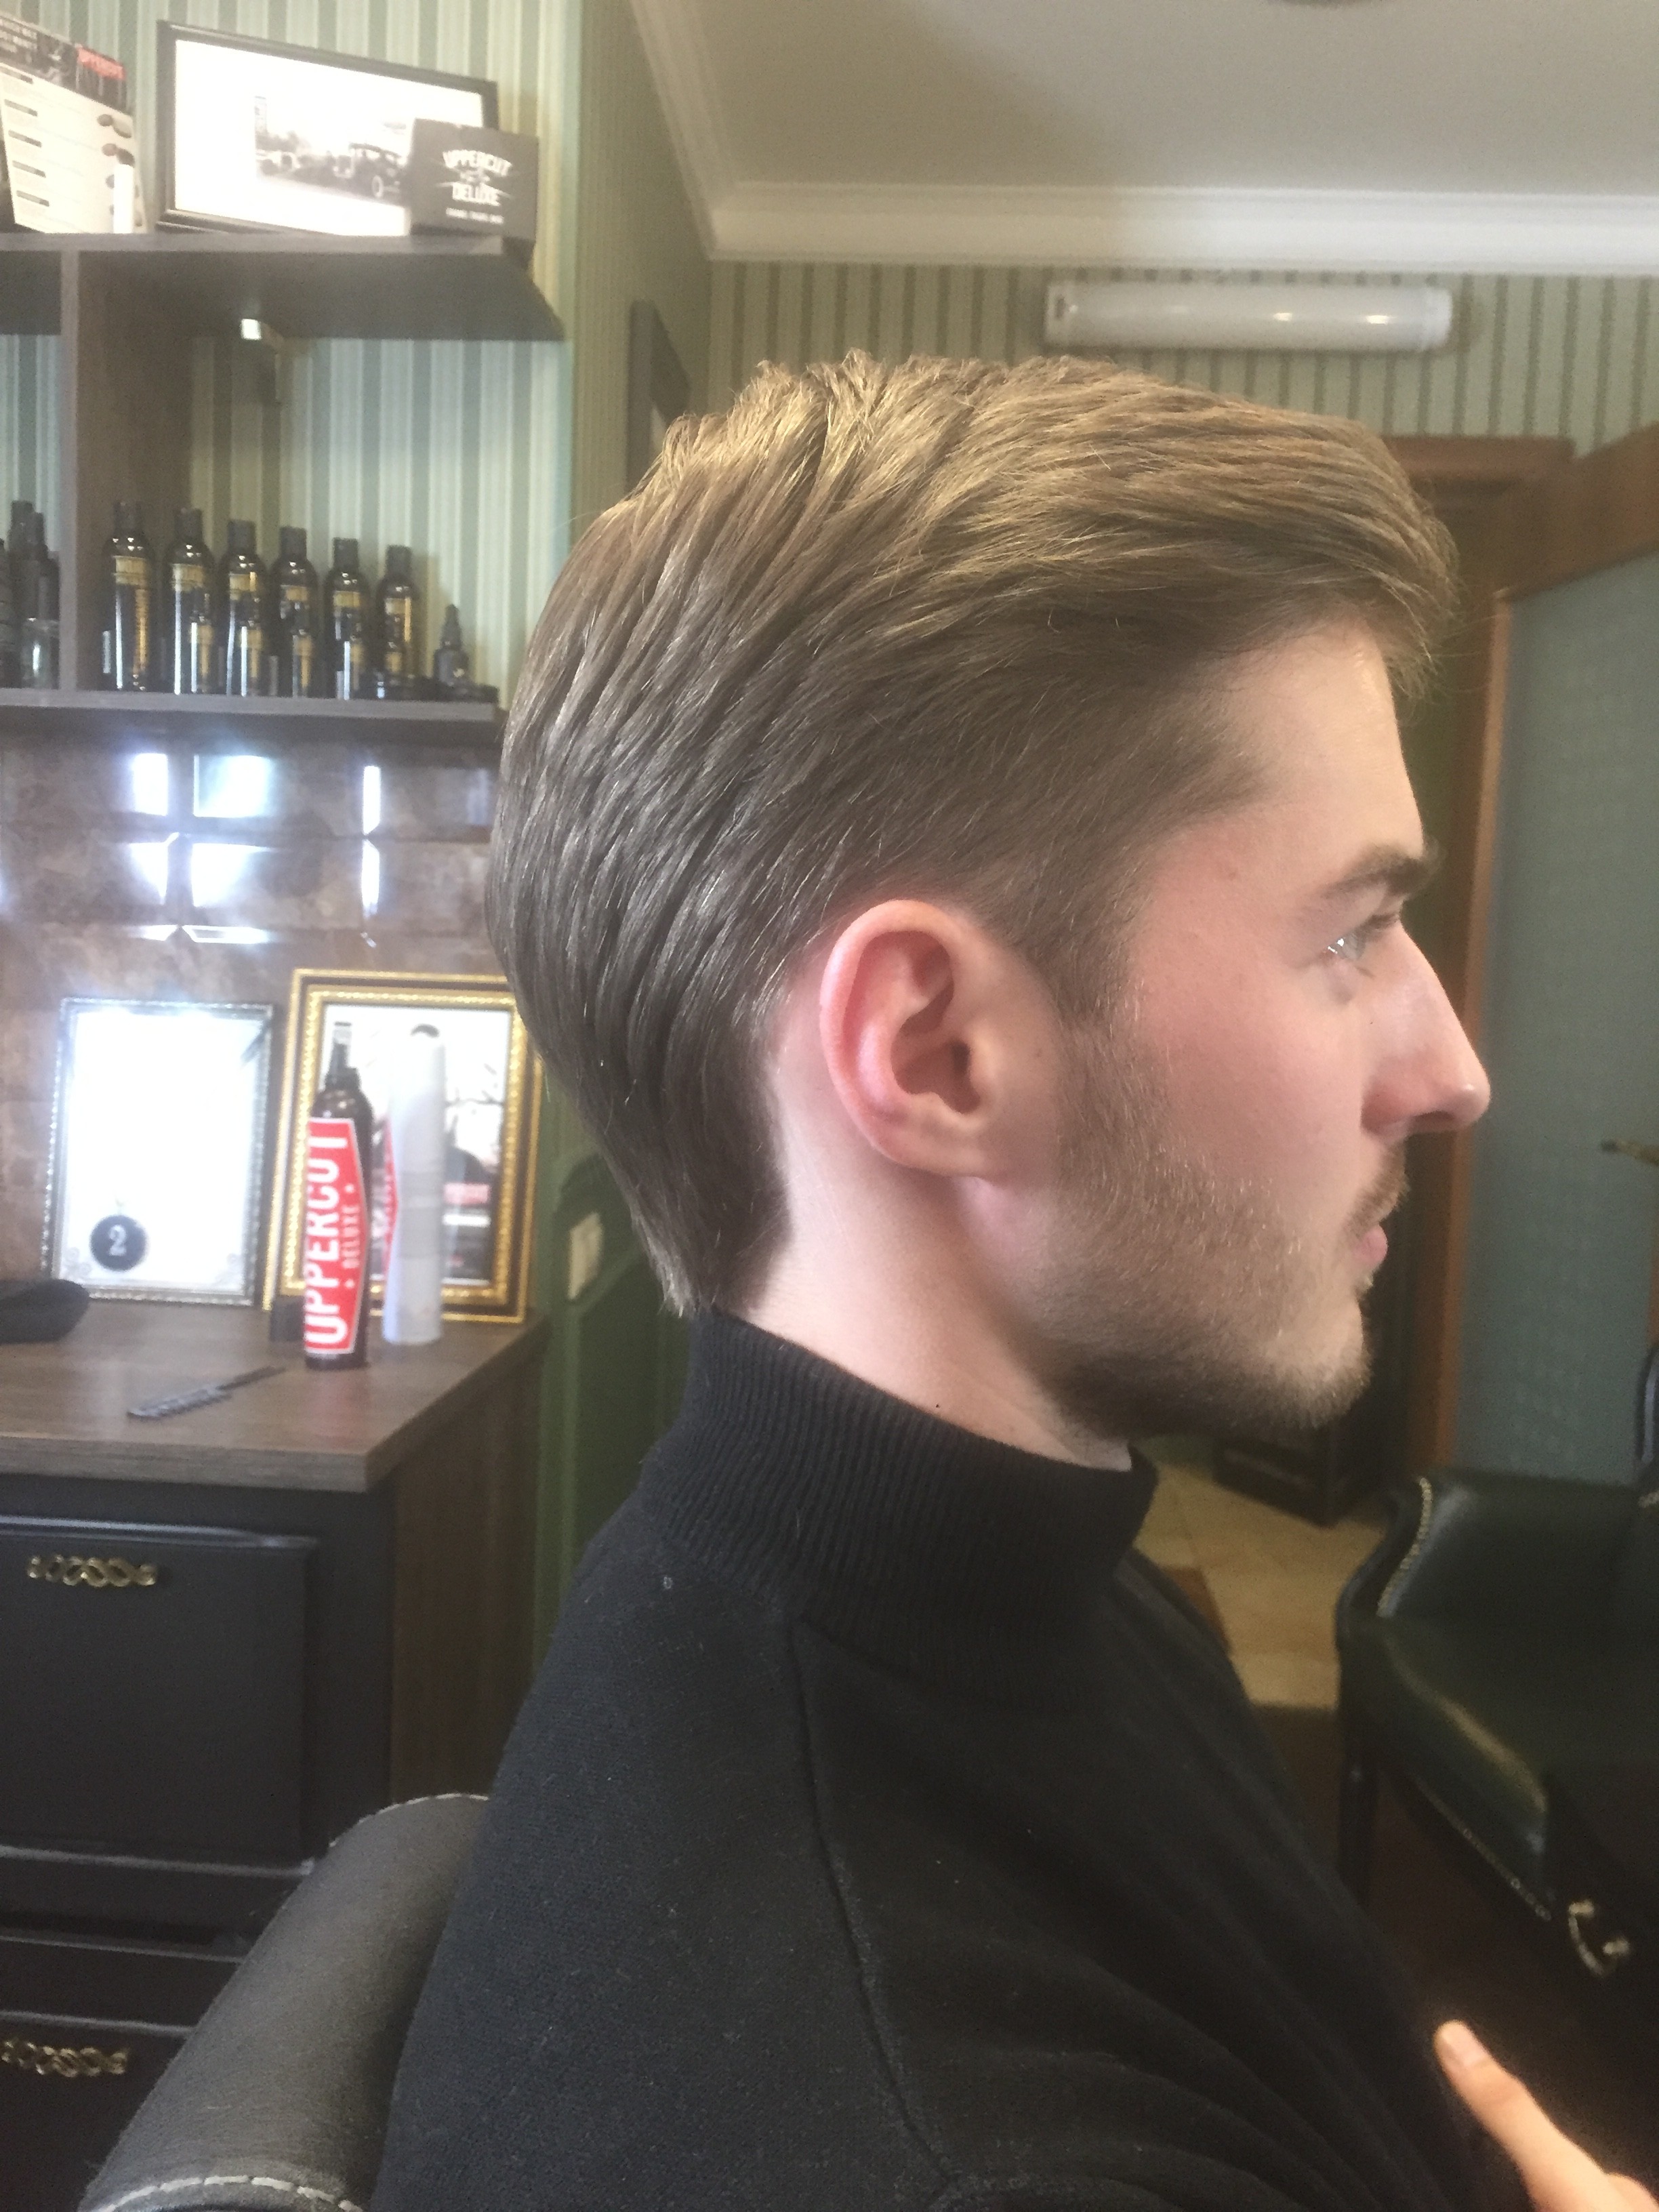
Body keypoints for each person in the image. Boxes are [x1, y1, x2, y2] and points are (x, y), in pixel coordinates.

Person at [372, 356, 1652, 2212]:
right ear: (938, 1050)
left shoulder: (1019, 1587)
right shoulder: (918, 2143)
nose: (1453, 1072)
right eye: (1354, 934)